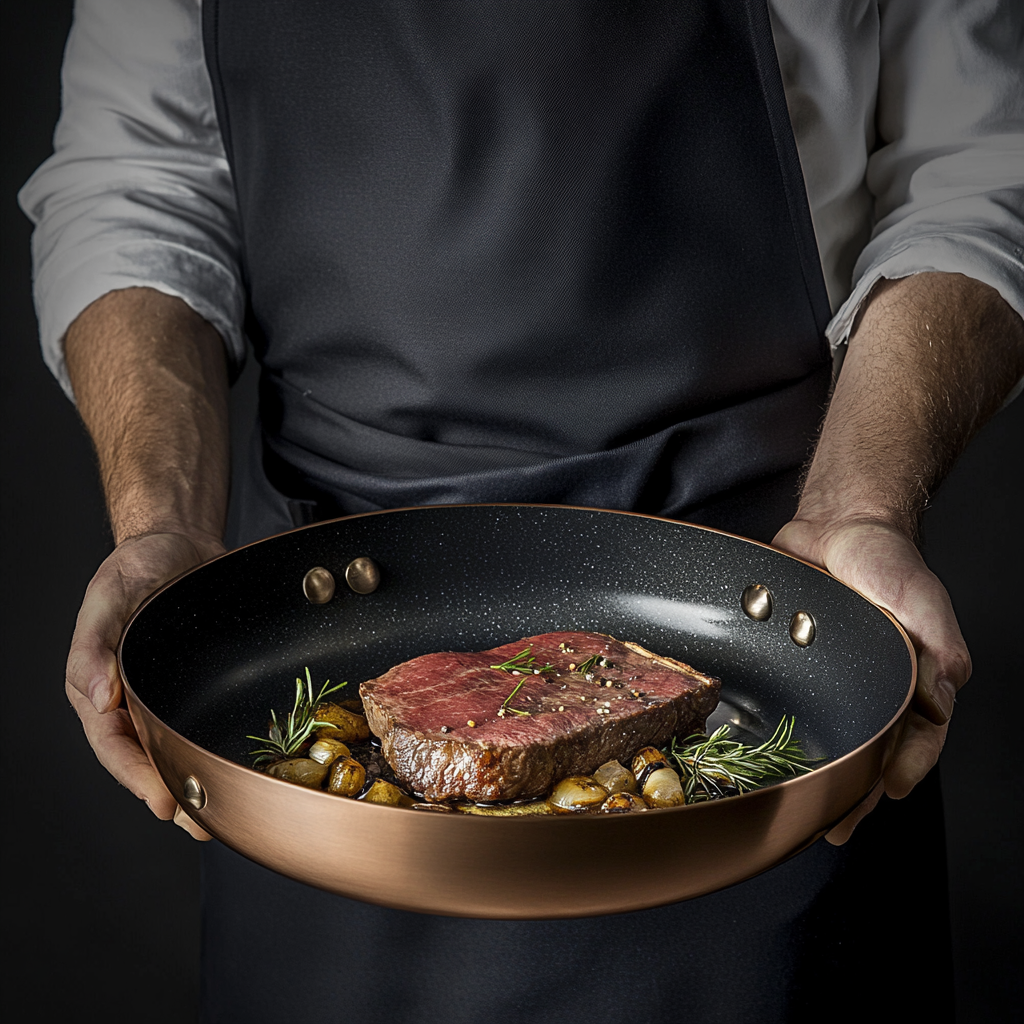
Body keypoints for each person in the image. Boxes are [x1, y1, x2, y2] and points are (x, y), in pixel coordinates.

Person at [20, 1, 1024, 1021]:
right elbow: (139, 185)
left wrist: (862, 504)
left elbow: (976, 167)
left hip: (765, 582)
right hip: (325, 606)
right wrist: (162, 524)